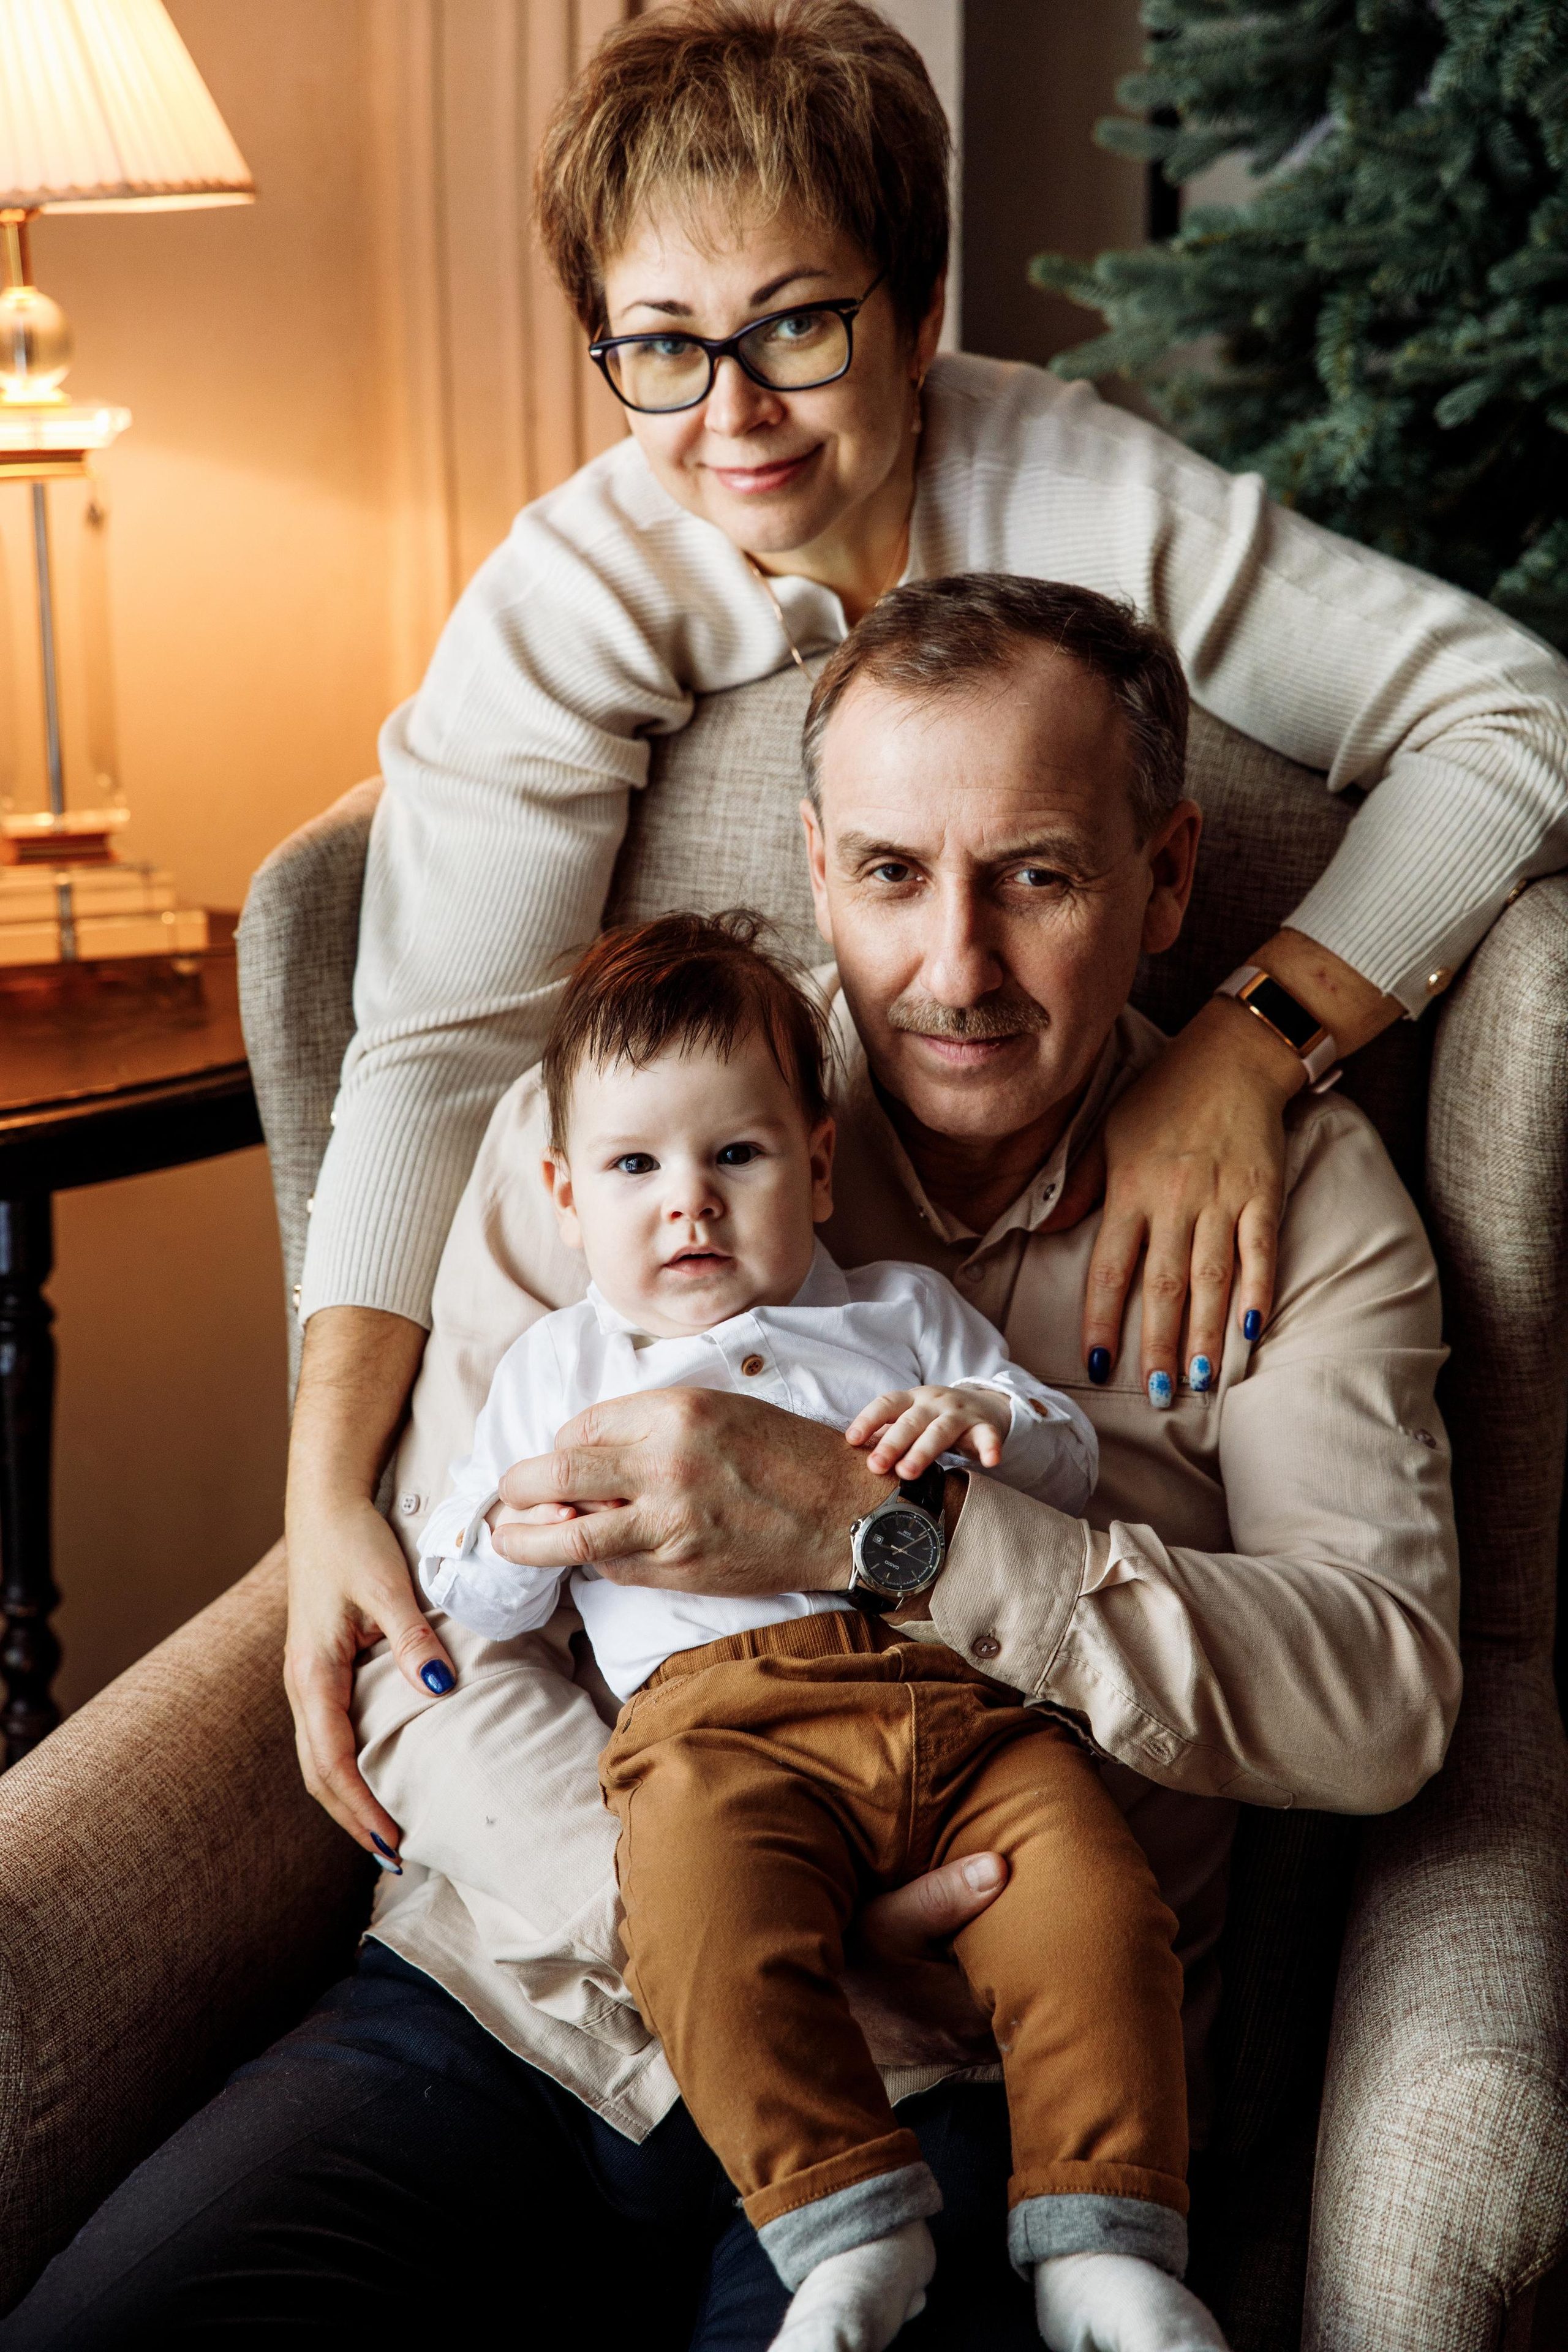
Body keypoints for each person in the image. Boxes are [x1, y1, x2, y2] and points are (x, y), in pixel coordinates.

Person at [0, 576, 1460, 2345]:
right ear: (817, 864)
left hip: (979, 2057)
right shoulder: (617, 1124)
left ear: (1164, 879)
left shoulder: (1294, 1201)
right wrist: (734, 1931)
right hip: (531, 1998)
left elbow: (1379, 1701)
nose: (957, 970)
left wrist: (898, 1534)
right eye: (893, 874)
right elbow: (424, 1644)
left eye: (1038, 878)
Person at [282, 0, 1565, 1882]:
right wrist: (325, 1484)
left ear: (921, 309)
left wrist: (1246, 1042)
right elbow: (434, 1055)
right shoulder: (567, 602)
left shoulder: (1088, 500)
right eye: (660, 345)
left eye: (798, 325)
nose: (731, 415)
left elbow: (1520, 717)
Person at [410, 909, 1224, 2352]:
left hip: (957, 1707)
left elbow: (1061, 1457)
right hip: (714, 1734)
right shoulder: (558, 1368)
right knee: (697, 1929)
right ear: (563, 1197)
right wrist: (506, 1540)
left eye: (736, 1154)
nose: (688, 1206)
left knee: (1097, 1907)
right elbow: (476, 1596)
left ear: (818, 1162)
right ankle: (849, 2223)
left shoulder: (901, 1315)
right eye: (634, 1168)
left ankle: (1101, 2236)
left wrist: (979, 1418)